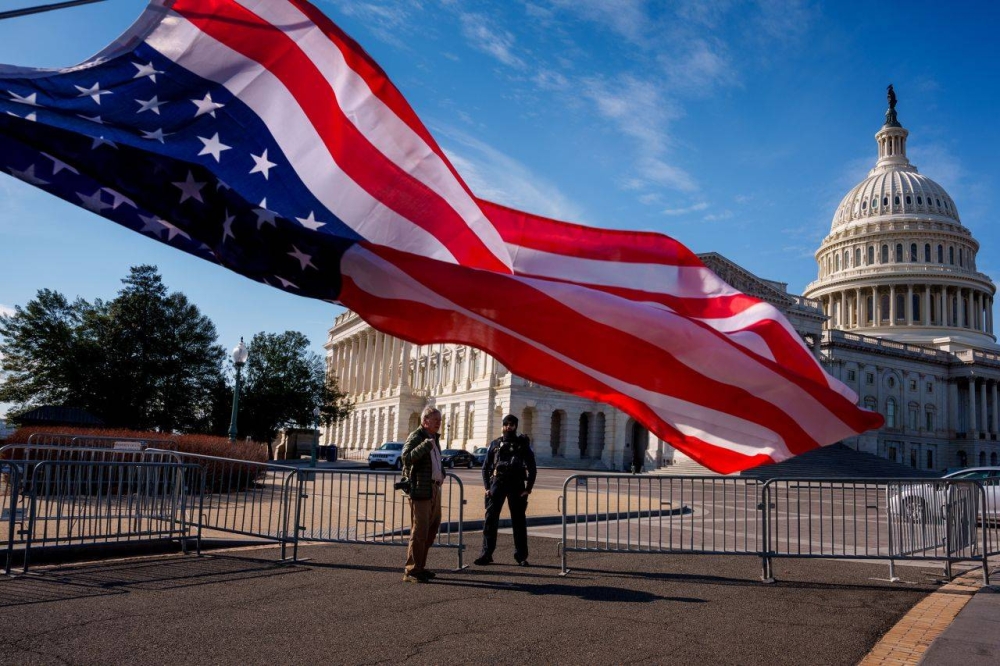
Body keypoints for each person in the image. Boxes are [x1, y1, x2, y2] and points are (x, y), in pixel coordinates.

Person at [474, 414, 537, 567]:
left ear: (516, 426)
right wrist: (487, 487)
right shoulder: (495, 443)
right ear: (503, 426)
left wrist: (528, 489)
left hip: (516, 485)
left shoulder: (522, 444)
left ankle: (521, 556)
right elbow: (485, 467)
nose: (509, 427)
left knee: (519, 521)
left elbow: (532, 467)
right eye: (506, 424)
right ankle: (486, 553)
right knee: (490, 520)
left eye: (512, 424)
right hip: (497, 484)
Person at [401, 406, 444, 583]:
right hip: (420, 489)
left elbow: (435, 461)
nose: (439, 424)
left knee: (432, 528)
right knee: (419, 530)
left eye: (440, 421)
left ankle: (421, 566)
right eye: (436, 421)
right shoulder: (417, 436)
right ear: (425, 421)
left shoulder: (434, 438)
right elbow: (406, 457)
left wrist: (442, 473)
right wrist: (425, 446)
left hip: (434, 488)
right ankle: (411, 570)